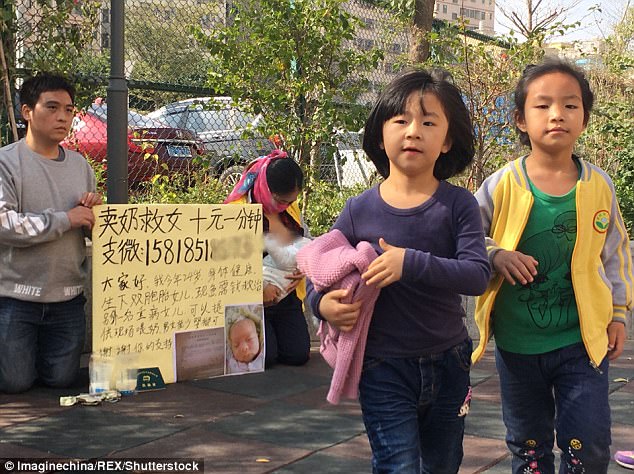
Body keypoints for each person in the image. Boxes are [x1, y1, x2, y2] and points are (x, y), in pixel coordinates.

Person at [306, 69, 490, 473]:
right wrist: (323, 305)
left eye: (428, 123)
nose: (413, 132)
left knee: (442, 463)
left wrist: (410, 263)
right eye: (401, 120)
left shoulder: (458, 205)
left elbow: (477, 274)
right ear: (380, 134)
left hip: (449, 362)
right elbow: (320, 269)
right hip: (382, 365)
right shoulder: (359, 209)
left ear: (447, 140)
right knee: (398, 464)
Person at [472, 58, 633, 473]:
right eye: (542, 105)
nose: (557, 114)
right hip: (518, 345)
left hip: (582, 342)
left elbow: (614, 253)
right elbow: (467, 238)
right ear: (520, 120)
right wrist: (496, 255)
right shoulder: (502, 184)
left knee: (590, 445)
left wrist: (617, 314)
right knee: (528, 447)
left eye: (570, 105)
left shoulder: (598, 186)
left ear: (584, 118)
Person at [0, 73, 102, 394]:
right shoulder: (7, 163)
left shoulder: (80, 166)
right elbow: (5, 225)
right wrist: (66, 219)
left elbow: (87, 230)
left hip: (69, 299)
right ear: (27, 111)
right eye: (53, 107)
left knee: (61, 381)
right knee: (14, 383)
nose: (63, 117)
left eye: (69, 110)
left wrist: (95, 216)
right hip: (16, 298)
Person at [224, 150, 311, 368]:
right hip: (253, 297)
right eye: (282, 201)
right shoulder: (237, 211)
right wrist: (259, 290)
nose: (286, 206)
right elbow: (228, 265)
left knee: (297, 355)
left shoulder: (289, 207)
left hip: (287, 292)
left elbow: (306, 241)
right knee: (266, 357)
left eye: (292, 200)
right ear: (266, 188)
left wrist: (304, 266)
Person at [263, 233, 311, 302]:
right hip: (262, 285)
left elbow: (308, 241)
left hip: (288, 292)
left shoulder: (288, 257)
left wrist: (304, 268)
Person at [226, 309, 264, 374]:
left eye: (249, 339)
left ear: (258, 337)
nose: (244, 348)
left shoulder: (263, 356)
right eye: (236, 345)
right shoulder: (231, 359)